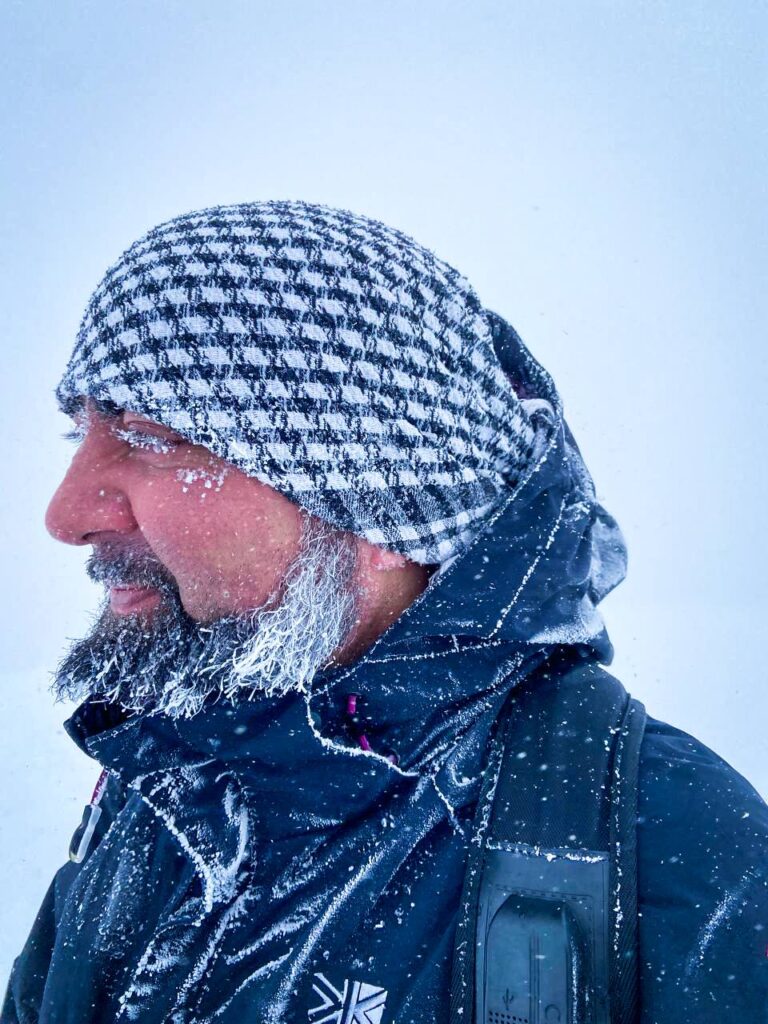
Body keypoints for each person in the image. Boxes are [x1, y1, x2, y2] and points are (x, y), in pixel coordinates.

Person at [2, 201, 765, 1024]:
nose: (65, 514)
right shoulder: (170, 779)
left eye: (152, 435)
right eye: (79, 433)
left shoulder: (679, 855)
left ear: (383, 504)